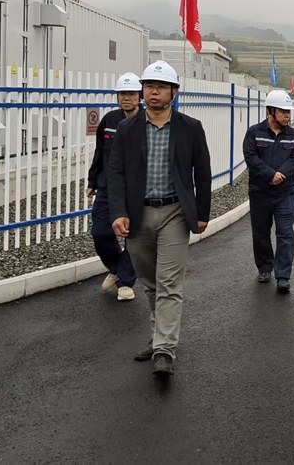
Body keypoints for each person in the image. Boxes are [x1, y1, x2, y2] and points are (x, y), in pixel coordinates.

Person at [108, 60, 212, 378]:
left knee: (169, 283)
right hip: (137, 214)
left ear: (173, 92)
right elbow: (116, 172)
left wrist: (202, 213)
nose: (154, 91)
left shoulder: (190, 127)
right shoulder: (128, 129)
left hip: (175, 213)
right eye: (149, 86)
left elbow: (202, 171)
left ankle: (165, 349)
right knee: (151, 282)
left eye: (161, 87)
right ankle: (158, 337)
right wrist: (118, 212)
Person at [87, 73, 142, 301]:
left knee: (133, 236)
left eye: (131, 94)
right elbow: (100, 151)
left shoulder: (147, 122)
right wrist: (92, 181)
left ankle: (126, 282)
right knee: (100, 232)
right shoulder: (109, 121)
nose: (126, 98)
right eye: (122, 94)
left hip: (136, 190)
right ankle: (117, 267)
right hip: (108, 187)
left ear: (139, 96)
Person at [243, 89, 294, 290]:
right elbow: (251, 157)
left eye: (288, 112)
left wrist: (281, 175)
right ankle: (264, 268)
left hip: (285, 193)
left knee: (285, 233)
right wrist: (271, 174)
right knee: (261, 232)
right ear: (270, 112)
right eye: (283, 111)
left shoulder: (293, 136)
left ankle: (283, 275)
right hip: (260, 193)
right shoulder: (254, 133)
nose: (288, 115)